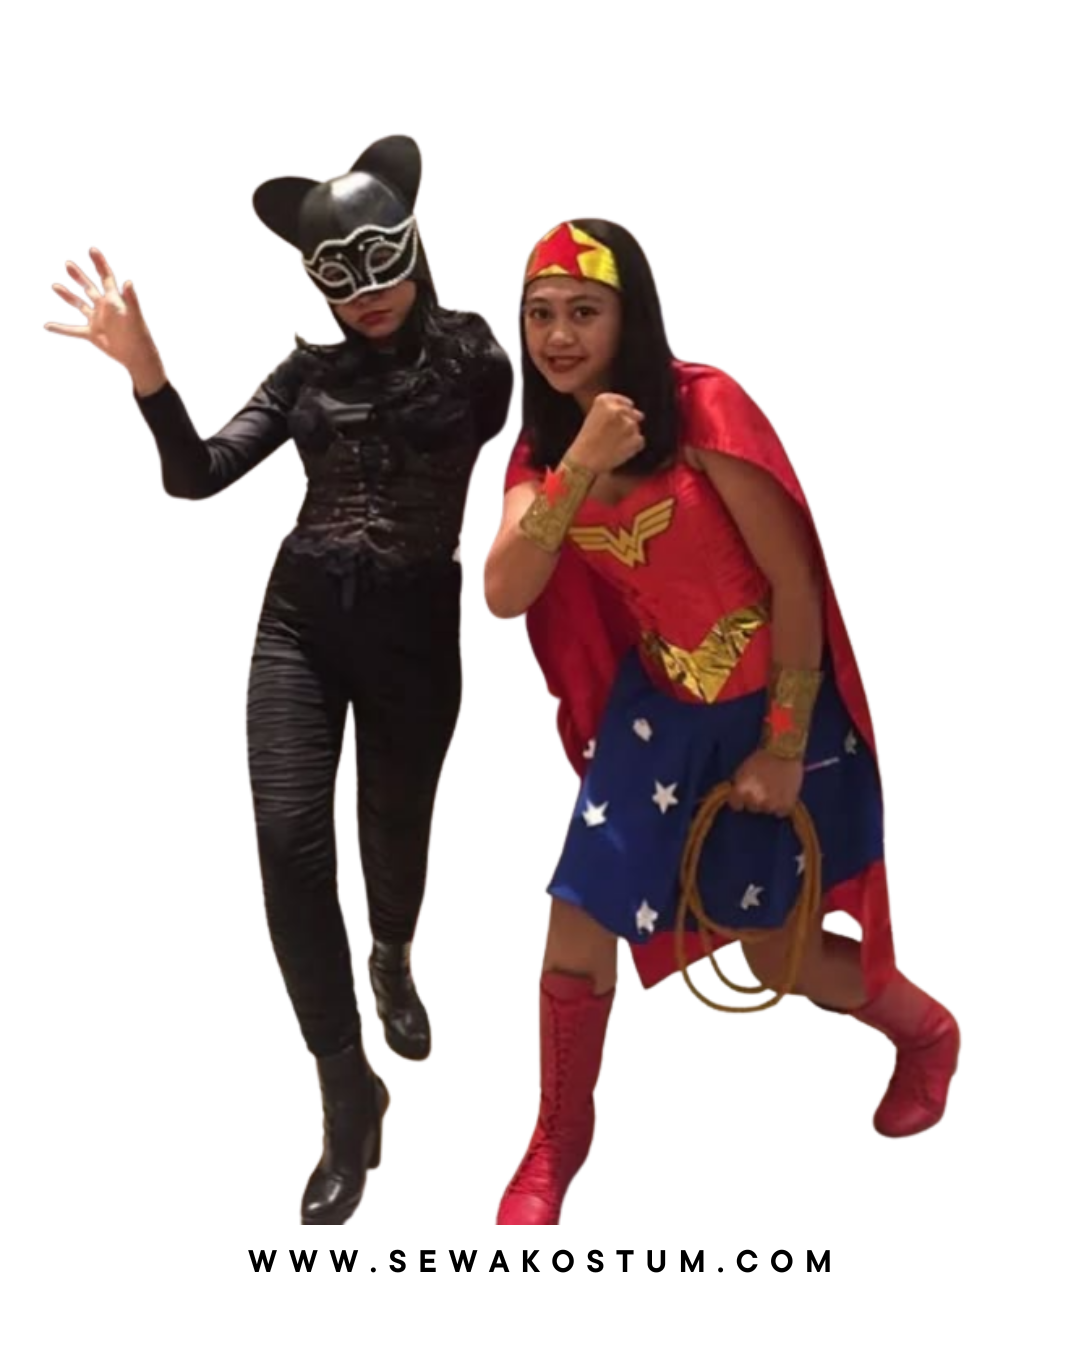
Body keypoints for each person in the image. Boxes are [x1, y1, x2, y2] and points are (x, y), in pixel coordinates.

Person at [45, 135, 512, 1225]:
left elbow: (541, 430)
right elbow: (196, 475)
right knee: (288, 846)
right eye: (337, 273)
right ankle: (347, 1090)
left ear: (415, 244)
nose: (367, 291)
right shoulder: (305, 376)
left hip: (414, 631)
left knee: (393, 833)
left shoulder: (478, 358)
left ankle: (391, 955)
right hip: (300, 622)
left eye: (381, 259)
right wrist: (148, 373)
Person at [484, 219, 959, 1225]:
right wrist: (579, 464)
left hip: (772, 707)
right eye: (541, 313)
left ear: (631, 317)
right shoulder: (544, 452)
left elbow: (795, 584)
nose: (559, 335)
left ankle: (926, 1033)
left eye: (584, 311)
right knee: (579, 917)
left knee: (772, 953)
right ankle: (557, 1141)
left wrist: (784, 747)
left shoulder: (706, 406)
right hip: (657, 714)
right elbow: (505, 591)